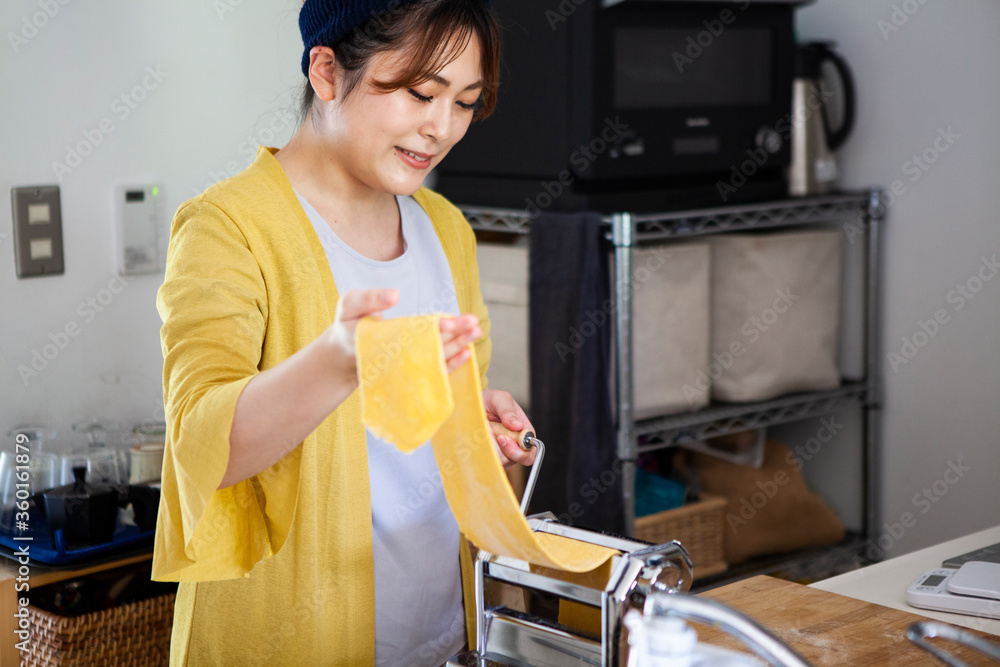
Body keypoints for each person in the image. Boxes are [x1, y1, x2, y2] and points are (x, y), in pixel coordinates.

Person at [152, 1, 535, 664]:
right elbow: (200, 445)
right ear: (326, 72)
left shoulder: (446, 230)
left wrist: (484, 429)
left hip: (444, 633)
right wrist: (338, 360)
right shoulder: (229, 227)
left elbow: (425, 432)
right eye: (420, 93)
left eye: (466, 102)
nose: (442, 128)